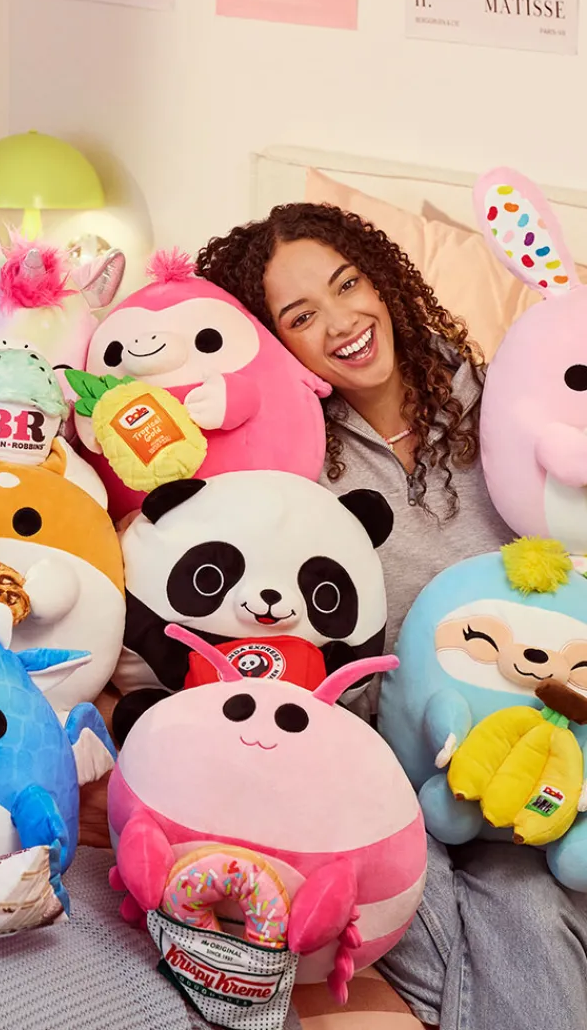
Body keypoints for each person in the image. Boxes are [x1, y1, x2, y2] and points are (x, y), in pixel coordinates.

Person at [196, 202, 587, 1030]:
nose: (341, 322)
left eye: (348, 285)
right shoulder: (296, 458)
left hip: (528, 736)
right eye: (302, 316)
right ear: (276, 342)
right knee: (375, 889)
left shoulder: (500, 399)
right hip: (384, 754)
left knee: (528, 905)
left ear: (383, 282)